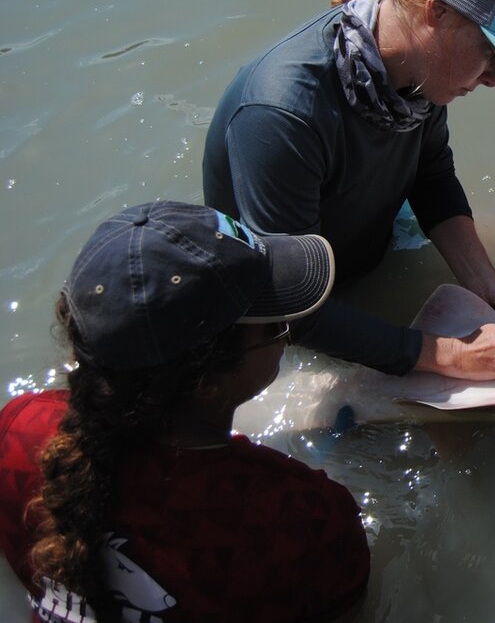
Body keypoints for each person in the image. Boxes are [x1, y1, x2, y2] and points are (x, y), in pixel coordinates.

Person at [203, 0, 495, 382]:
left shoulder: (424, 72)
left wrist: (484, 282)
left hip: (364, 250)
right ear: (437, 11)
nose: (493, 78)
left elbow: (431, 176)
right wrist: (447, 354)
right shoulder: (282, 112)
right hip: (286, 312)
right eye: (492, 51)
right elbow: (292, 307)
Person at [0, 201, 369, 622]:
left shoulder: (17, 432)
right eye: (275, 326)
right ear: (206, 383)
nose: (284, 339)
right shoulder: (303, 520)